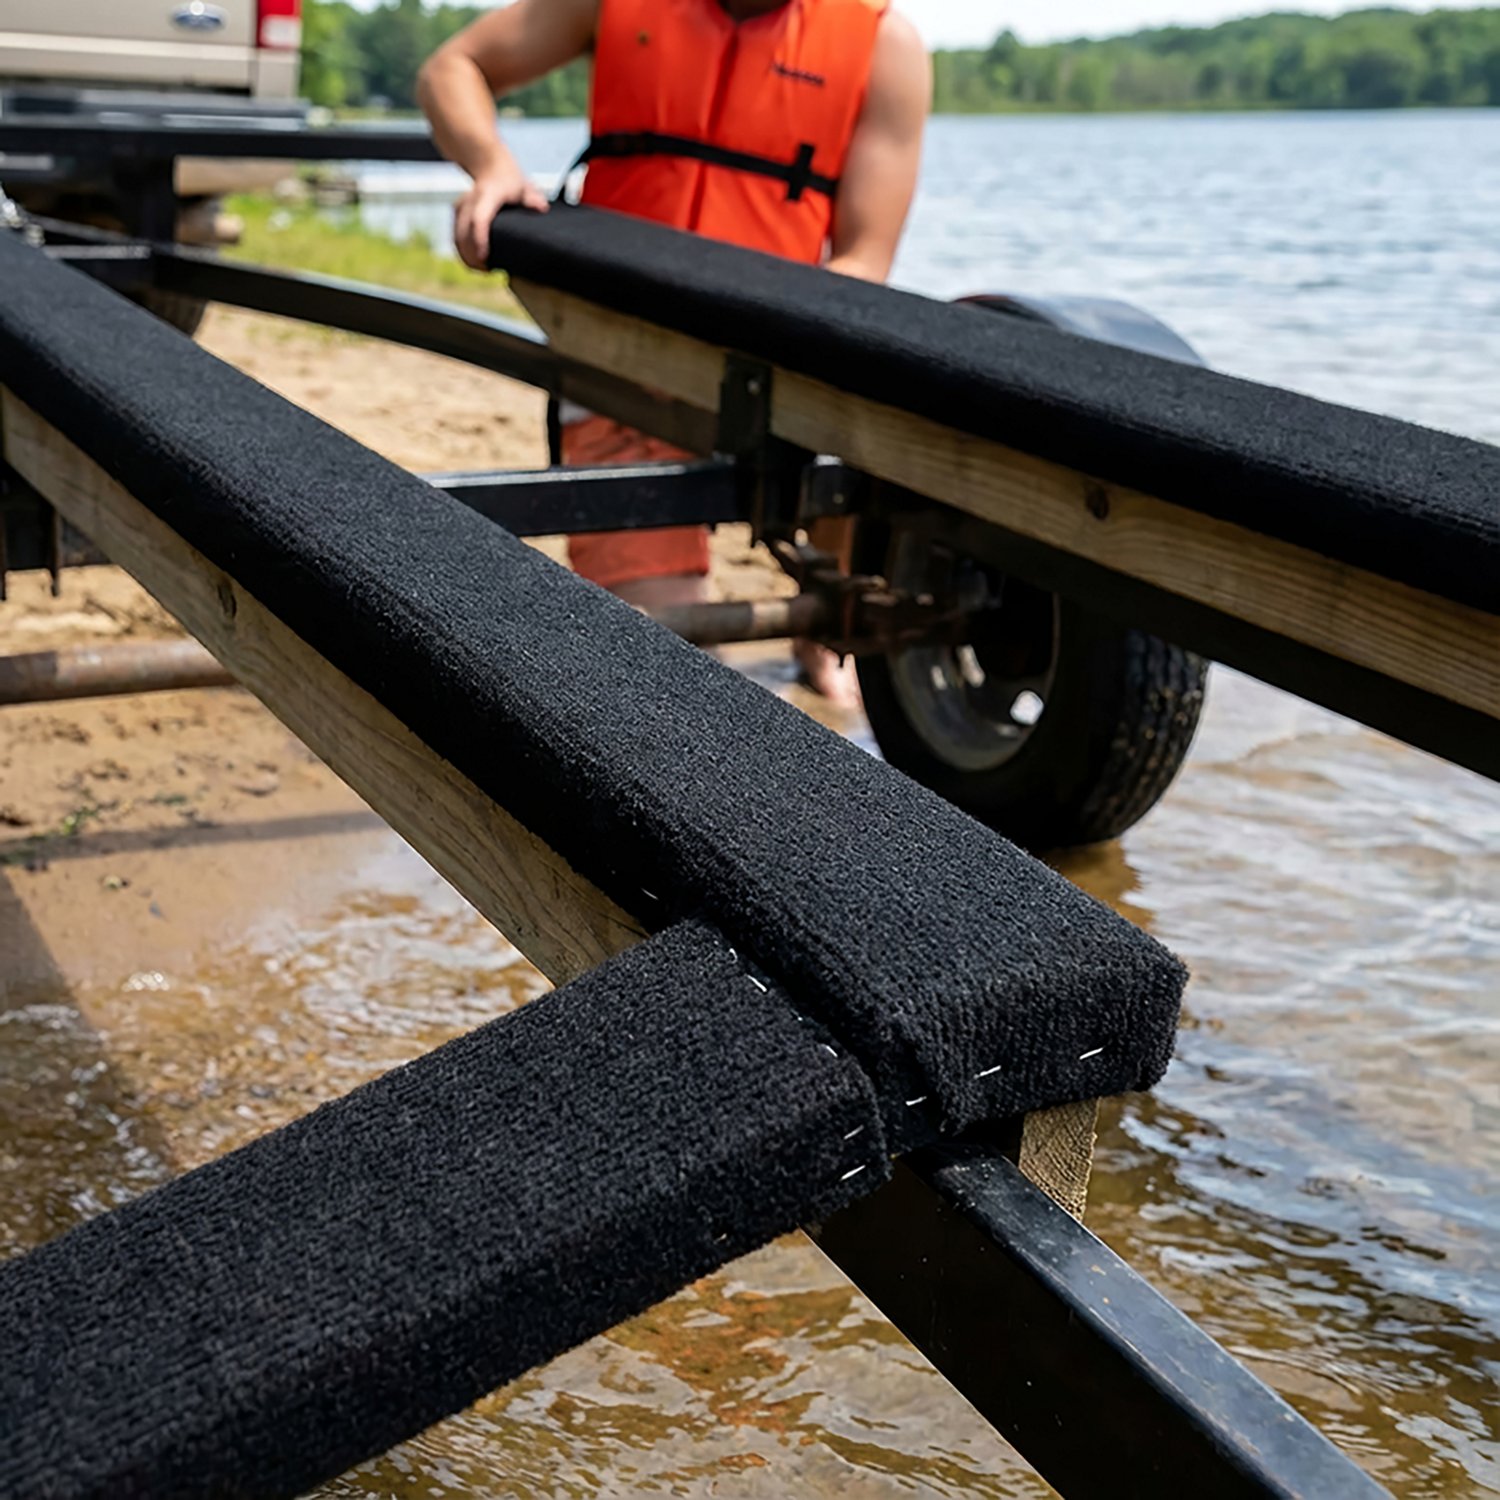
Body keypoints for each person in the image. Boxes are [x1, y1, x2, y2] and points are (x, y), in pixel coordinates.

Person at [418, 0, 929, 703]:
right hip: (623, 367)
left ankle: (824, 621)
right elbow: (453, 66)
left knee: (861, 431)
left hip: (779, 365)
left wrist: (762, 339)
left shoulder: (884, 45)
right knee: (663, 668)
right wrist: (491, 163)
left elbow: (865, 264)